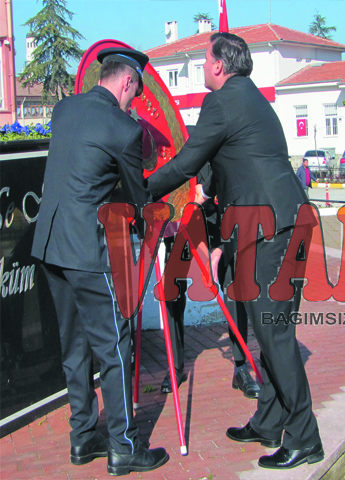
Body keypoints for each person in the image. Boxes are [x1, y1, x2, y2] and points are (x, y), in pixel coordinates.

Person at [146, 32, 322, 469]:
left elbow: (188, 161)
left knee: (274, 332)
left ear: (220, 66)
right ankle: (268, 420)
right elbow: (234, 168)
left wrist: (140, 190)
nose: (202, 68)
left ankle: (305, 437)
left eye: (205, 61)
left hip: (274, 227)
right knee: (268, 331)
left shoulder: (221, 102)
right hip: (276, 221)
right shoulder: (252, 99)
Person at [31, 47, 169, 475]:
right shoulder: (123, 129)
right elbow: (135, 197)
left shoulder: (64, 110)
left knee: (74, 348)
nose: (133, 104)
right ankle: (123, 447)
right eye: (135, 95)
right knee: (114, 348)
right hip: (88, 252)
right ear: (128, 82)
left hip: (50, 246)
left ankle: (82, 437)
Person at [160, 164, 260, 400]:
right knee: (171, 291)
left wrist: (221, 247)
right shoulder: (173, 151)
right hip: (180, 223)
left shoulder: (214, 145)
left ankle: (240, 366)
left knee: (233, 288)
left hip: (216, 222)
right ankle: (176, 366)